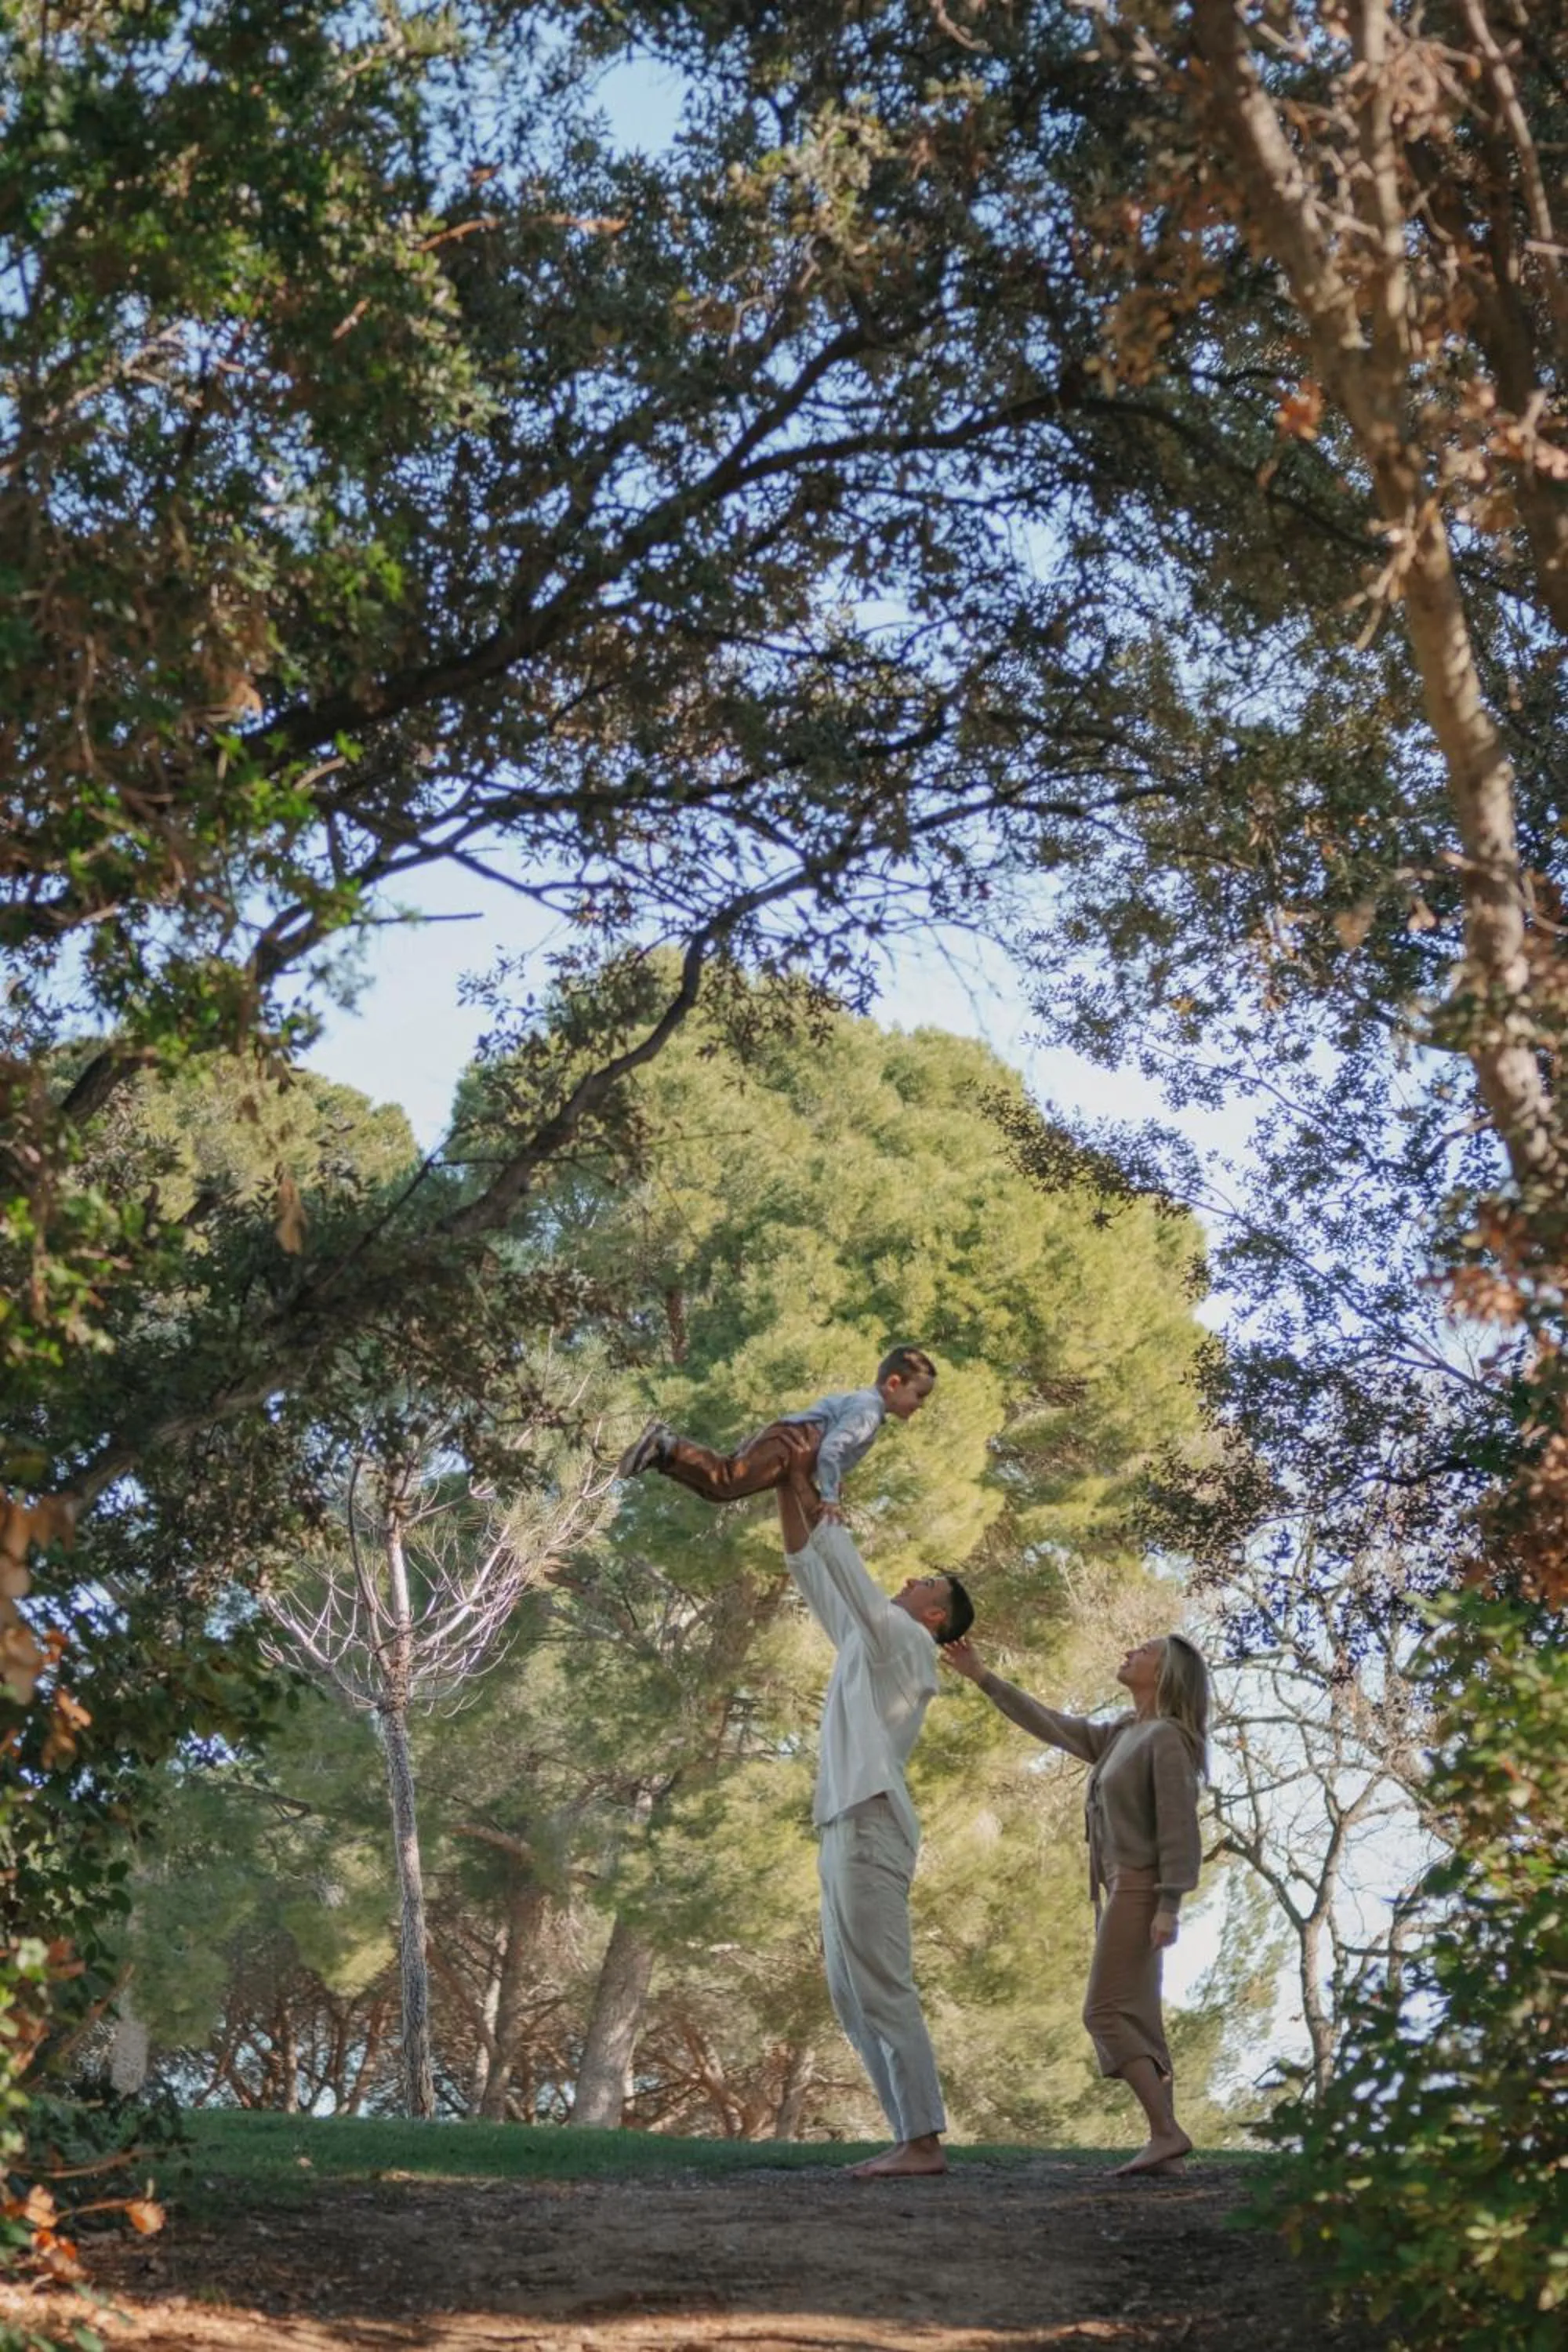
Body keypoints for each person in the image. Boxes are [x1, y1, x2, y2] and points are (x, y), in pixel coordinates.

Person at [942, 1631, 1209, 2176]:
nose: (1129, 1651)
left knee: (1105, 2012)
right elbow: (1054, 1726)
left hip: (1141, 1888)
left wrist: (1170, 1904)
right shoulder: (1123, 1735)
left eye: (1144, 1651)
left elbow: (1180, 1828)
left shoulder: (1165, 1739)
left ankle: (1166, 2132)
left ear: (1164, 1674)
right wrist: (984, 1678)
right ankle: (1168, 2151)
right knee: (1139, 2018)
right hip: (1126, 1888)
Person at [775, 1467, 972, 2177]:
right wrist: (784, 1488)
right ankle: (909, 2139)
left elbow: (853, 1581)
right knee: (851, 1997)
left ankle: (924, 2141)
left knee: (884, 1985)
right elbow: (809, 1570)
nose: (913, 1579)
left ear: (935, 1618)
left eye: (927, 1583)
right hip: (842, 1826)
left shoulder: (909, 1646)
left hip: (872, 1823)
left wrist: (829, 1512)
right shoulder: (870, 1640)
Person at [617, 1345, 936, 1524]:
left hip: (790, 1444)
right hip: (791, 1444)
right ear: (894, 1384)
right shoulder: (868, 1411)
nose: (920, 1405)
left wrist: (832, 1478)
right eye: (919, 1395)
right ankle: (665, 1445)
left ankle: (661, 1458)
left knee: (719, 1492)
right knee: (729, 1479)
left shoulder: (867, 1409)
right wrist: (829, 1497)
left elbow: (833, 1454)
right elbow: (830, 1451)